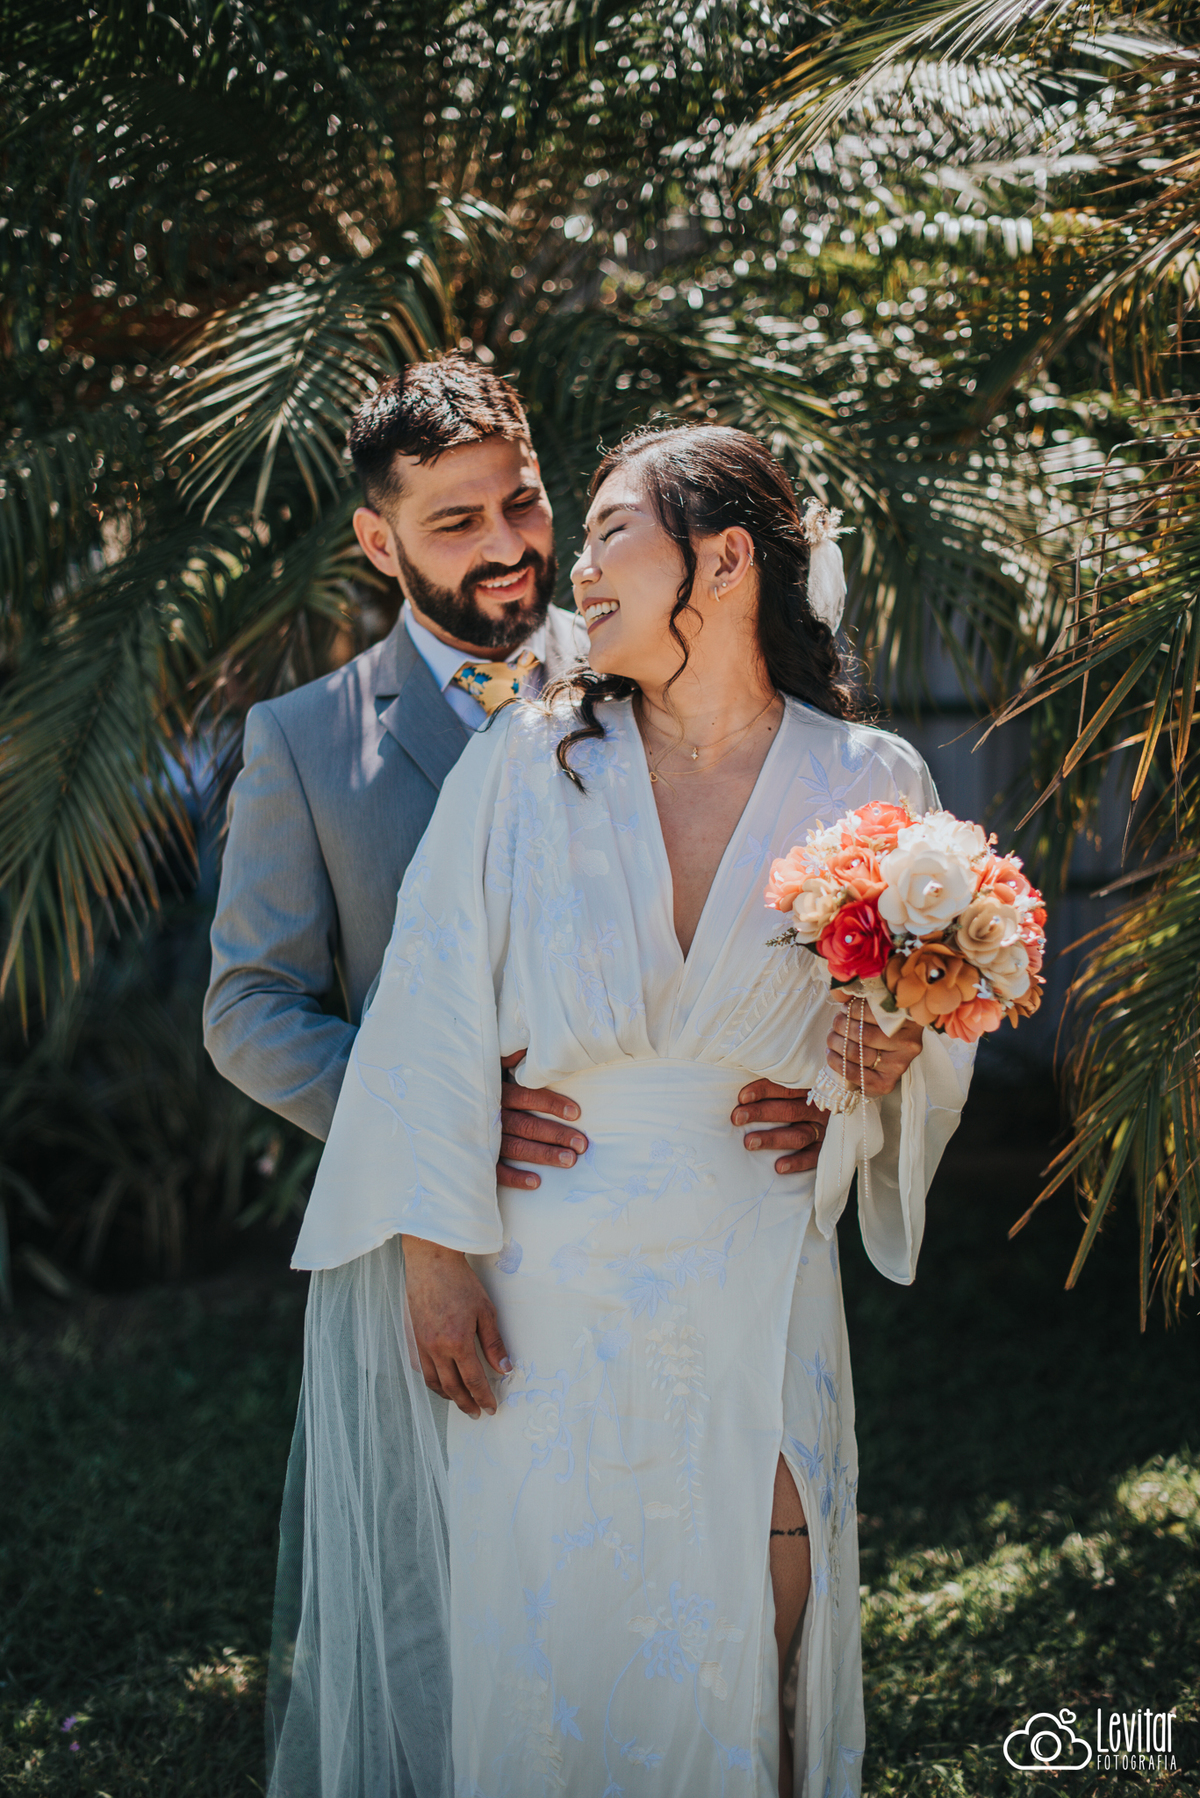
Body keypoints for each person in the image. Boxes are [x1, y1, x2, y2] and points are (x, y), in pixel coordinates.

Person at [276, 422, 977, 1798]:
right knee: (554, 1669)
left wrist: (871, 1074)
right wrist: (432, 1252)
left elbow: (912, 1043)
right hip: (545, 1290)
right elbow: (425, 1009)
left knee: (766, 1647)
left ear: (720, 561)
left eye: (606, 534)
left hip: (759, 1262)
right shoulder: (527, 764)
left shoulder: (871, 786)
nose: (570, 569)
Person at [202, 358, 831, 1780]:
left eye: (525, 502)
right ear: (378, 542)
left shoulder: (658, 653)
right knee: (454, 1614)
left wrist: (826, 1060)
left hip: (676, 1250)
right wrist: (442, 1141)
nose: (508, 546)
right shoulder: (307, 744)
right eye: (453, 522)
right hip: (444, 1243)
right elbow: (249, 1009)